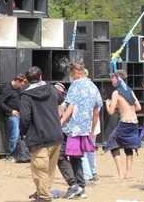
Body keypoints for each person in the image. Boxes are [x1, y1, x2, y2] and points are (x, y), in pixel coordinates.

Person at [57, 62, 102, 200]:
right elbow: (96, 111)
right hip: (84, 129)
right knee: (77, 158)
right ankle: (81, 188)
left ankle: (73, 184)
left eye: (72, 75)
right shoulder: (93, 87)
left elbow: (70, 106)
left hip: (72, 128)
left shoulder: (76, 85)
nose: (72, 78)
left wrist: (60, 122)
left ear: (75, 73)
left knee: (60, 156)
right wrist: (92, 129)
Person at [19, 66, 64, 202]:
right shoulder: (52, 89)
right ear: (41, 76)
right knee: (49, 170)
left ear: (27, 80)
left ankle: (44, 196)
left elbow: (25, 118)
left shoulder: (26, 96)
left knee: (39, 169)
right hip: (56, 134)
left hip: (38, 137)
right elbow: (61, 101)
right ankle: (42, 192)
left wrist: (24, 133)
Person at [104, 70, 142, 179]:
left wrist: (107, 104)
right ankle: (128, 173)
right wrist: (124, 108)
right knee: (128, 146)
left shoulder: (116, 93)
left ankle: (120, 173)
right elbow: (138, 107)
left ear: (118, 79)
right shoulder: (129, 91)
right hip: (134, 122)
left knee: (112, 143)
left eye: (113, 77)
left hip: (125, 122)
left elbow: (111, 112)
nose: (112, 79)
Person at [0, 74, 27, 159]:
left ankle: (20, 153)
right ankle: (12, 154)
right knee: (15, 134)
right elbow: (0, 103)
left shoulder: (18, 89)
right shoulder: (6, 88)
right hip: (11, 115)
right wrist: (11, 111)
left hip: (20, 114)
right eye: (21, 84)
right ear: (17, 81)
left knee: (20, 134)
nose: (22, 86)